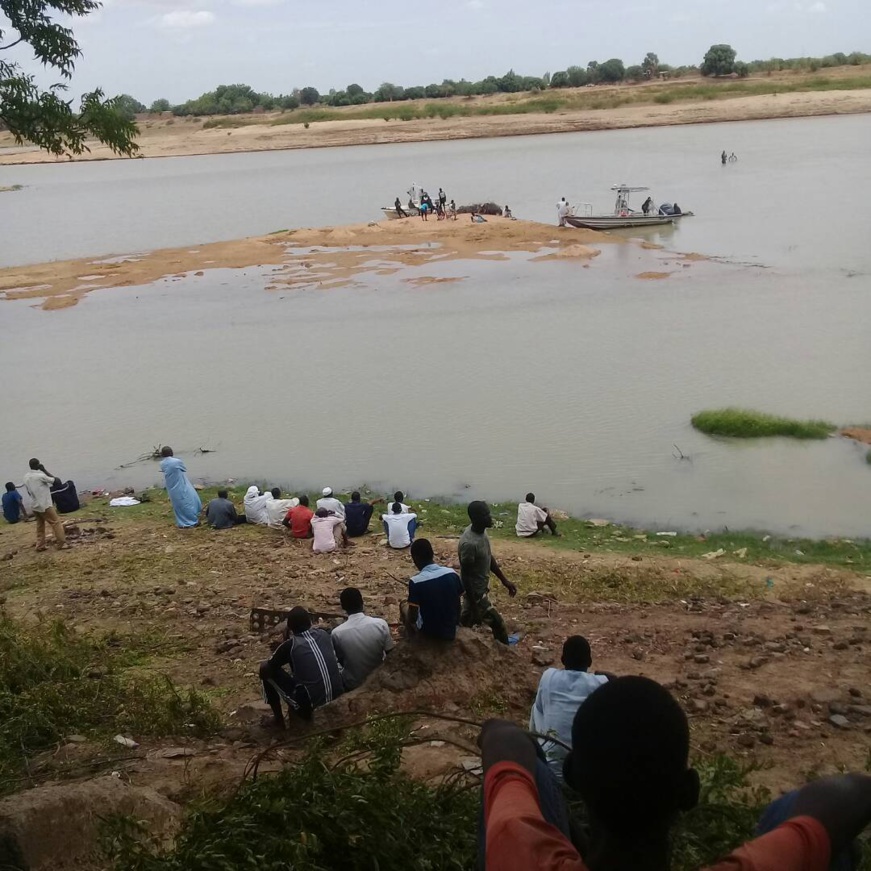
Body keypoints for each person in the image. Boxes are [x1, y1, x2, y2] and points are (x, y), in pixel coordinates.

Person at [481, 675, 871, 870]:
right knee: (802, 821)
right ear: (689, 792)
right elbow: (855, 792)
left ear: (575, 778)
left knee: (526, 771)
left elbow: (501, 736)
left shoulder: (519, 850)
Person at [529, 636, 609, 778]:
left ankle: (538, 749)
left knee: (537, 707)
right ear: (590, 661)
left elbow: (540, 708)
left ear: (562, 660)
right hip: (586, 774)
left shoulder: (549, 677)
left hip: (552, 769)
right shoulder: (600, 684)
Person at [259, 606, 343, 729]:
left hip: (309, 707)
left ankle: (278, 720)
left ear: (290, 627)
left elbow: (269, 666)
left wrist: (284, 643)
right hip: (338, 697)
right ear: (310, 622)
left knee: (264, 669)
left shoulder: (290, 646)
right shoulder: (324, 634)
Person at [458, 501, 516, 644]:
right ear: (476, 518)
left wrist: (504, 581)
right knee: (498, 624)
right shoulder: (469, 544)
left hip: (480, 591)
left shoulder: (482, 532)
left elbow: (488, 557)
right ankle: (505, 650)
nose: (490, 517)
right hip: (476, 595)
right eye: (485, 515)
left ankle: (455, 640)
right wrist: (474, 605)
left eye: (488, 513)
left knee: (464, 624)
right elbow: (465, 576)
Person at [331, 587, 395, 690]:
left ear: (343, 607)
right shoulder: (380, 624)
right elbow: (391, 654)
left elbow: (341, 660)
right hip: (377, 681)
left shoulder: (337, 633)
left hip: (353, 684)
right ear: (362, 603)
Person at [404, 538, 464, 640]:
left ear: (415, 558)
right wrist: (456, 622)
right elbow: (458, 604)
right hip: (451, 629)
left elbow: (413, 616)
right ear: (432, 554)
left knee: (404, 607)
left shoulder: (415, 582)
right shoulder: (452, 573)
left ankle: (412, 640)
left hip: (429, 632)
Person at [23, 459, 67, 551]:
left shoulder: (26, 477)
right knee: (56, 522)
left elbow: (28, 492)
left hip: (34, 504)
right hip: (44, 505)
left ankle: (40, 545)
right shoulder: (40, 476)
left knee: (40, 525)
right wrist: (44, 470)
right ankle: (61, 543)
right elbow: (57, 481)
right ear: (38, 465)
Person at [159, 447, 201, 528]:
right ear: (171, 452)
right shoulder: (177, 461)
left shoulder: (162, 463)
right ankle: (191, 522)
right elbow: (184, 469)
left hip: (171, 486)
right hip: (180, 483)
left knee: (178, 504)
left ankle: (181, 521)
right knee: (187, 501)